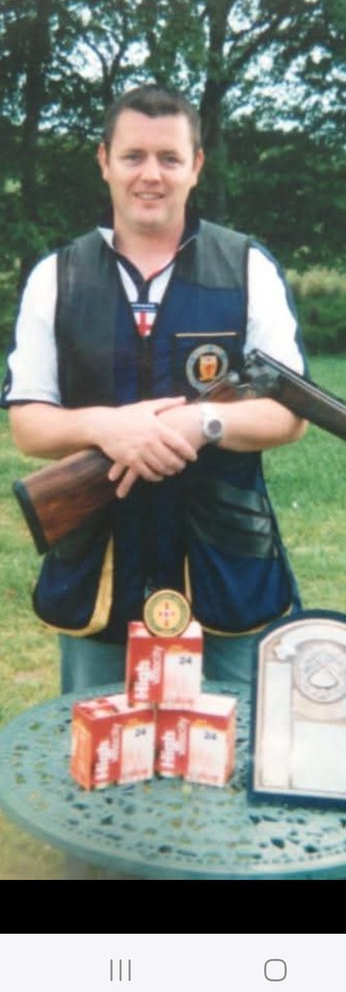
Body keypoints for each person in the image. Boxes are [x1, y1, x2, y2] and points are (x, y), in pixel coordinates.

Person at [2, 84, 307, 696]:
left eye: (169, 158)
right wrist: (105, 429)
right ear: (104, 162)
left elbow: (290, 413)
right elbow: (29, 425)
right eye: (133, 156)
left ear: (195, 166)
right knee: (99, 757)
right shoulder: (54, 277)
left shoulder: (248, 266)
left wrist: (203, 424)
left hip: (225, 564)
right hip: (101, 567)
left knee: (233, 757)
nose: (151, 175)